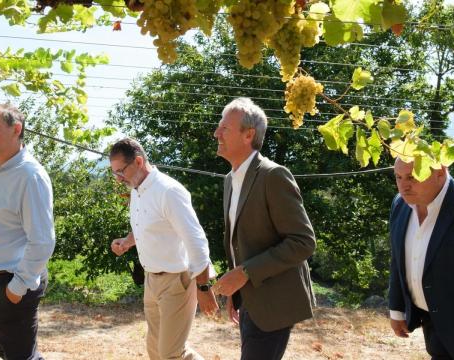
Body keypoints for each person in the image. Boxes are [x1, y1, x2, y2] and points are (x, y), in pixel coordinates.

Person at [211, 97, 316, 360]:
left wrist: (245, 273)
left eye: (225, 128)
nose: (216, 133)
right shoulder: (230, 180)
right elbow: (241, 243)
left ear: (249, 135)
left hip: (274, 303)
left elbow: (303, 242)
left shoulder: (273, 176)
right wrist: (237, 291)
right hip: (250, 301)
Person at [109, 137, 218, 360]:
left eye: (121, 171)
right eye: (115, 173)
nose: (119, 178)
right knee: (156, 352)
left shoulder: (169, 191)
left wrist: (204, 287)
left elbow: (196, 240)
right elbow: (149, 226)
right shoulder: (136, 189)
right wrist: (127, 241)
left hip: (177, 281)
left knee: (171, 354)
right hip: (152, 281)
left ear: (138, 162)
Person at [0, 103, 55, 359]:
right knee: (0, 348)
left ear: (16, 129)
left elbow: (42, 241)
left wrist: (18, 287)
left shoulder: (30, 175)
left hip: (12, 281)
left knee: (19, 355)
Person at [388, 157, 454, 359]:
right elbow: (399, 259)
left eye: (412, 177)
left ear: (440, 171)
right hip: (432, 324)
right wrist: (397, 309)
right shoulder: (400, 204)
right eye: (398, 177)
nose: (403, 186)